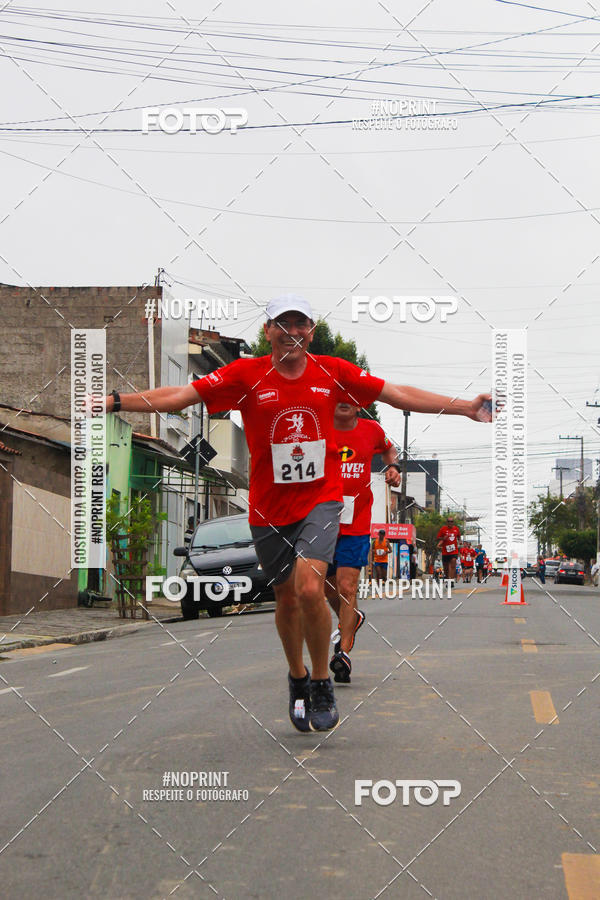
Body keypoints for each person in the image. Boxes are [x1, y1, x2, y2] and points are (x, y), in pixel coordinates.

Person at [97, 294, 492, 733]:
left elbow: (398, 394)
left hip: (321, 501)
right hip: (268, 509)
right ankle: (297, 677)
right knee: (285, 597)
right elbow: (178, 396)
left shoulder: (334, 371)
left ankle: (321, 679)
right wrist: (115, 401)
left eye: (300, 323)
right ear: (267, 331)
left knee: (309, 588)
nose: (292, 331)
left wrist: (466, 408)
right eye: (282, 324)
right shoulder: (245, 374)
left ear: (311, 330)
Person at [325, 402, 401, 684]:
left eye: (350, 395)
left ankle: (343, 653)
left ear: (359, 403)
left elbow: (388, 448)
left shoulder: (371, 430)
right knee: (324, 585)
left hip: (355, 522)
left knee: (347, 585)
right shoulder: (318, 426)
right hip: (320, 519)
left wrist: (392, 466)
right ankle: (351, 619)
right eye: (338, 394)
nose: (344, 400)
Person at [436, 516, 461, 585]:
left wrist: (460, 541)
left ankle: (451, 580)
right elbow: (438, 538)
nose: (450, 523)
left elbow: (459, 537)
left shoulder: (456, 529)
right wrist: (444, 538)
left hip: (454, 551)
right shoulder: (443, 529)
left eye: (452, 521)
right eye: (449, 521)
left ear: (453, 522)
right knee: (446, 568)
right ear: (447, 522)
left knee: (453, 564)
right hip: (445, 551)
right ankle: (447, 579)